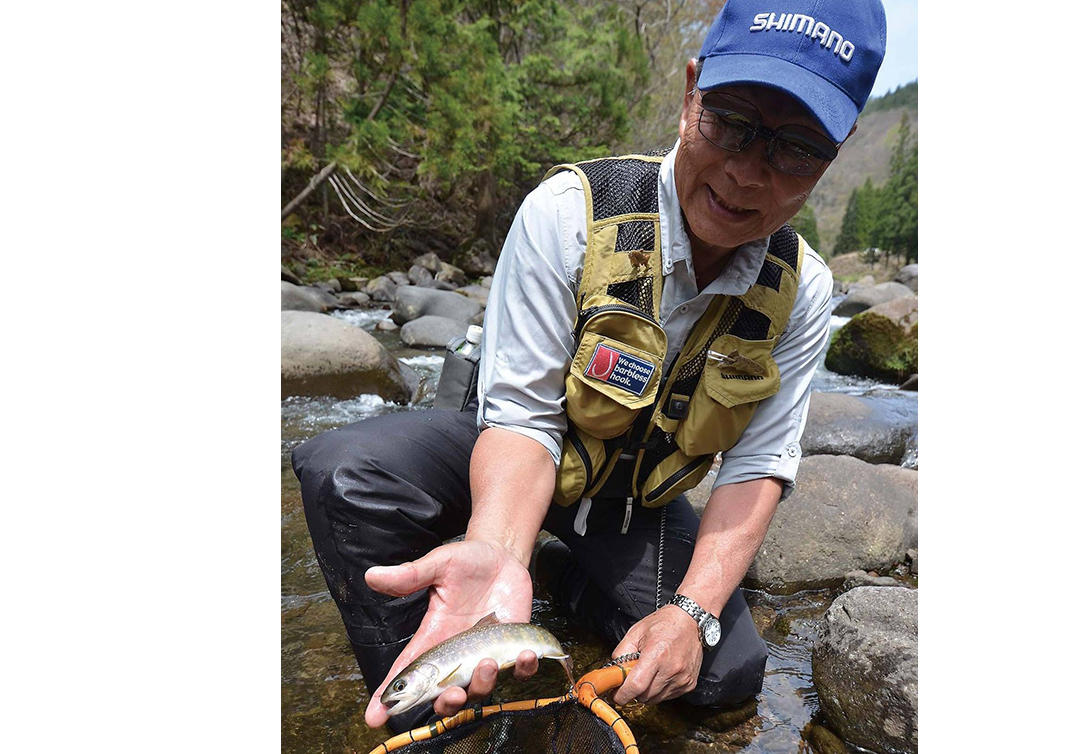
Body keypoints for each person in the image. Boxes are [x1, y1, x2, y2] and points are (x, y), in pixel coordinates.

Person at [292, 0, 887, 734]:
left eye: (794, 148)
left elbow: (757, 465)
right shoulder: (568, 214)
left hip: (632, 501)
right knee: (346, 468)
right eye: (729, 122)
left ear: (837, 149)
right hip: (515, 458)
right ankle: (437, 720)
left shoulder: (805, 291)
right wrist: (495, 551)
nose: (744, 173)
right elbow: (521, 421)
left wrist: (690, 614)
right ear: (689, 94)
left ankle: (567, 578)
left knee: (724, 669)